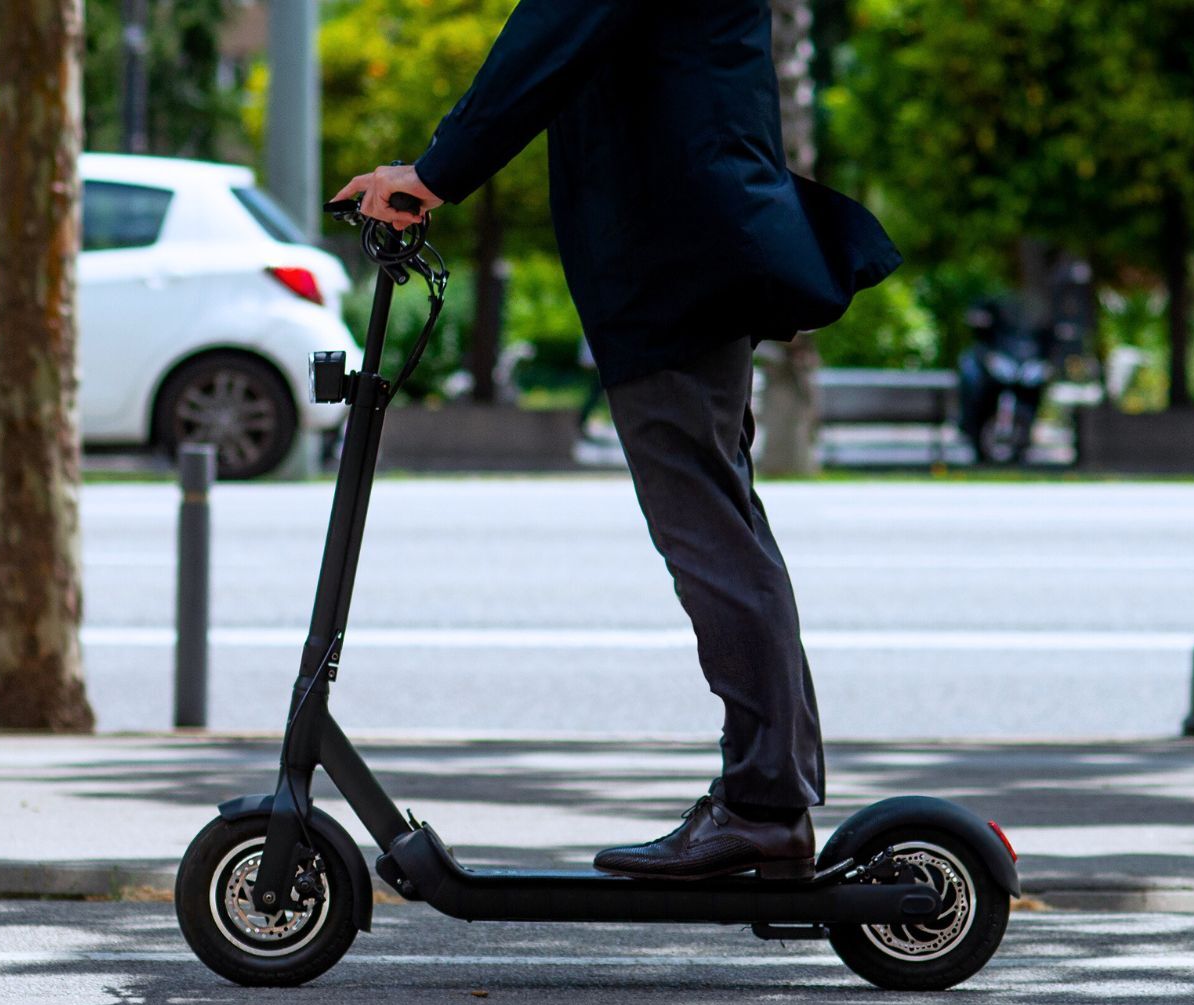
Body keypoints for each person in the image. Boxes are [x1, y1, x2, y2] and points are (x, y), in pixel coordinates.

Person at [332, 0, 901, 881]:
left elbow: (549, 36)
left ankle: (764, 805)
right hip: (692, 246)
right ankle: (768, 800)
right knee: (722, 522)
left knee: (708, 529)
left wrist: (433, 173)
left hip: (673, 261)